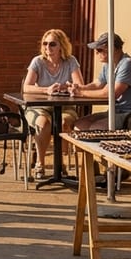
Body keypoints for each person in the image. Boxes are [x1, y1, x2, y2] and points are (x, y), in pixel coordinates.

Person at [22, 28, 86, 177]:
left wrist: (68, 86)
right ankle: (40, 163)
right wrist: (46, 90)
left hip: (65, 106)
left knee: (64, 122)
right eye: (45, 44)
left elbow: (80, 85)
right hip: (39, 106)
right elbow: (26, 87)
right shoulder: (38, 61)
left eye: (52, 44)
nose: (47, 48)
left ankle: (60, 162)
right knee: (44, 123)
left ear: (61, 46)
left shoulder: (70, 61)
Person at [72, 32, 131, 130]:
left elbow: (111, 93)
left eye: (99, 50)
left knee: (96, 128)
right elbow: (97, 84)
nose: (96, 53)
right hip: (119, 111)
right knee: (80, 124)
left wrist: (81, 93)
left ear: (112, 49)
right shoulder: (108, 65)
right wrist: (79, 87)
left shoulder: (127, 64)